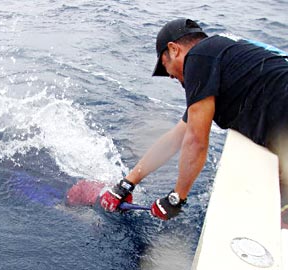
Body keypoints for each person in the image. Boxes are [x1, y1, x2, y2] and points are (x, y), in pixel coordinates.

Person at [99, 18, 288, 220]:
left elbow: (196, 141)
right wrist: (126, 185)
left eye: (165, 66)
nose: (170, 76)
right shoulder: (223, 58)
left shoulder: (198, 57)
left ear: (174, 49)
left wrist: (176, 198)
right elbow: (176, 138)